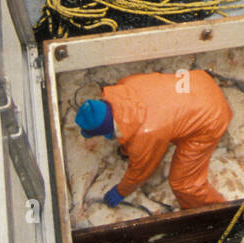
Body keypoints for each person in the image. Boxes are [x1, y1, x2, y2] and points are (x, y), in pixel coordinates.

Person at [75, 70, 232, 210]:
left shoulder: (146, 133)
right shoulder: (125, 83)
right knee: (171, 127)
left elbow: (141, 171)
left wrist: (120, 191)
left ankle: (219, 215)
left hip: (212, 116)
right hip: (199, 81)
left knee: (183, 184)